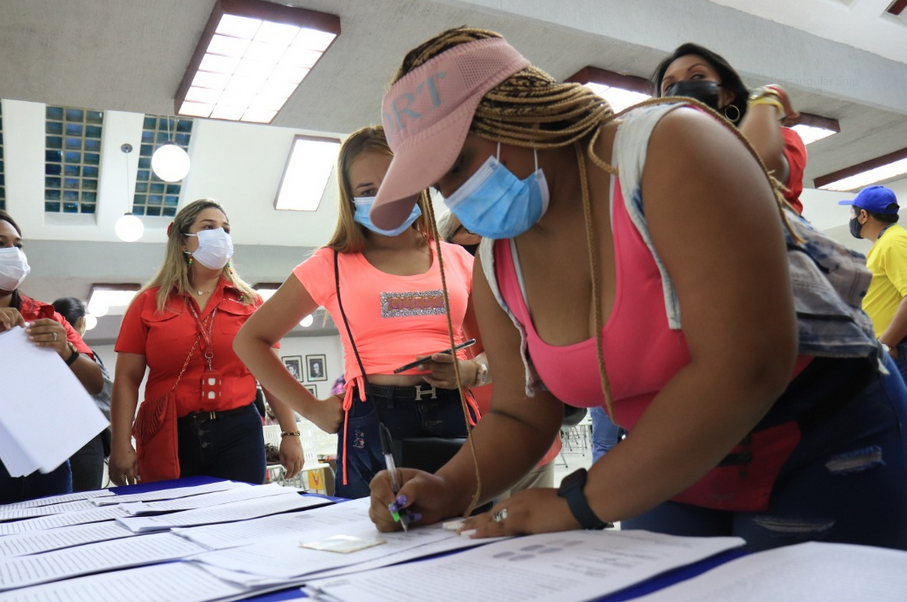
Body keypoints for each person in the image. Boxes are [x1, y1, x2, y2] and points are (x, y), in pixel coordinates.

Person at [366, 27, 907, 552]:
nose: (456, 195)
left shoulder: (665, 147)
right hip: (669, 463)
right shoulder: (496, 264)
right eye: (439, 183)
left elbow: (748, 362)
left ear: (519, 111)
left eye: (458, 163)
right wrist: (450, 487)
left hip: (820, 434)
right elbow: (520, 415)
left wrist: (577, 503)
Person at [234, 125, 487, 499]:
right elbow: (250, 340)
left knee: (467, 524)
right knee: (375, 531)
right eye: (368, 190)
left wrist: (475, 371)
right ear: (351, 199)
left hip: (455, 413)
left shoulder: (457, 259)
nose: (385, 196)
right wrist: (311, 409)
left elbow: (495, 346)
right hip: (373, 421)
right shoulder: (330, 265)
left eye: (395, 181)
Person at [109, 199, 303, 486]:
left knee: (239, 513)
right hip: (168, 434)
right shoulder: (148, 303)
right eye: (209, 227)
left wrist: (291, 433)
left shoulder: (250, 303)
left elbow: (271, 373)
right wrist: (120, 443)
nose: (220, 236)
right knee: (173, 511)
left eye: (226, 229)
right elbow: (127, 378)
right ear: (183, 241)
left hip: (239, 433)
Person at [437, 209, 561, 497]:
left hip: (533, 423)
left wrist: (477, 370)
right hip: (475, 434)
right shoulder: (446, 287)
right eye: (471, 227)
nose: (484, 235)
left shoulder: (520, 275)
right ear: (448, 242)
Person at [0, 211, 103, 502]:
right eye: (1, 243)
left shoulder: (47, 316)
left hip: (47, 457)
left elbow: (96, 384)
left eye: (17, 245)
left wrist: (65, 350)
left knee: (51, 527)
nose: (12, 252)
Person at [653, 43, 807, 215]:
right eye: (669, 87)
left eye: (697, 76)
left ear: (728, 94)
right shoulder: (662, 166)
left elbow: (754, 170)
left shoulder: (781, 138)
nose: (681, 90)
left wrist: (766, 97)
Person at [839, 186, 907, 382]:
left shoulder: (893, 242)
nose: (851, 219)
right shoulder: (886, 242)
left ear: (863, 216)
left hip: (899, 349)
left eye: (852, 212)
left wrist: (886, 344)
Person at [52, 296, 113, 491]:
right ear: (82, 322)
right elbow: (107, 397)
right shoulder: (85, 356)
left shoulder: (41, 351)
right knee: (84, 500)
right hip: (85, 437)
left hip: (49, 437)